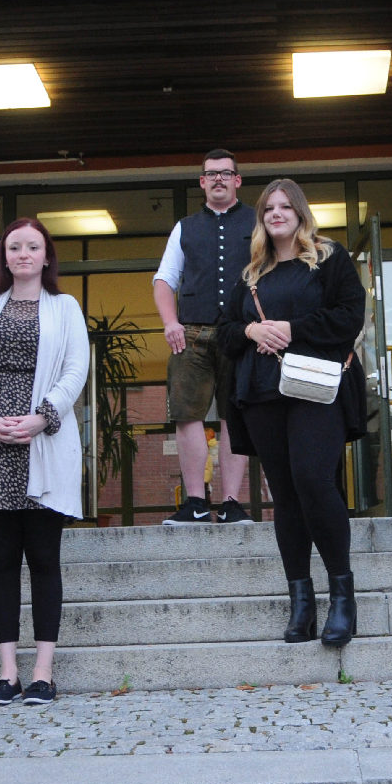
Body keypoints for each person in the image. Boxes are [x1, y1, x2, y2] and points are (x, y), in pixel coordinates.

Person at [216, 179, 367, 646]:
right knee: (284, 494)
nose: (276, 213)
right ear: (261, 218)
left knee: (312, 479)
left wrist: (288, 327)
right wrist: (251, 333)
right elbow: (224, 333)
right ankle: (300, 602)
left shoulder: (328, 259)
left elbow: (349, 316)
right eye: (268, 208)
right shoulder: (251, 274)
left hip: (314, 391)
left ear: (301, 213)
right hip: (262, 393)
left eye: (285, 206)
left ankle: (342, 596)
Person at [0, 218, 90, 707]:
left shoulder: (65, 307)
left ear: (47, 255)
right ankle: (7, 674)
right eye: (15, 247)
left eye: (33, 246)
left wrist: (43, 416)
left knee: (45, 561)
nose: (24, 254)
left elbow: (76, 367)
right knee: (2, 562)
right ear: (3, 256)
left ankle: (43, 673)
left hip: (43, 444)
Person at [154, 149, 255, 525]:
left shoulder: (259, 221)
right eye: (211, 174)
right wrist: (169, 322)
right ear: (202, 181)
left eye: (225, 173)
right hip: (190, 334)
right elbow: (165, 279)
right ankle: (196, 502)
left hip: (242, 333)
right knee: (187, 416)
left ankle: (231, 502)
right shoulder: (184, 227)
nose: (218, 179)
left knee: (235, 417)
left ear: (237, 180)